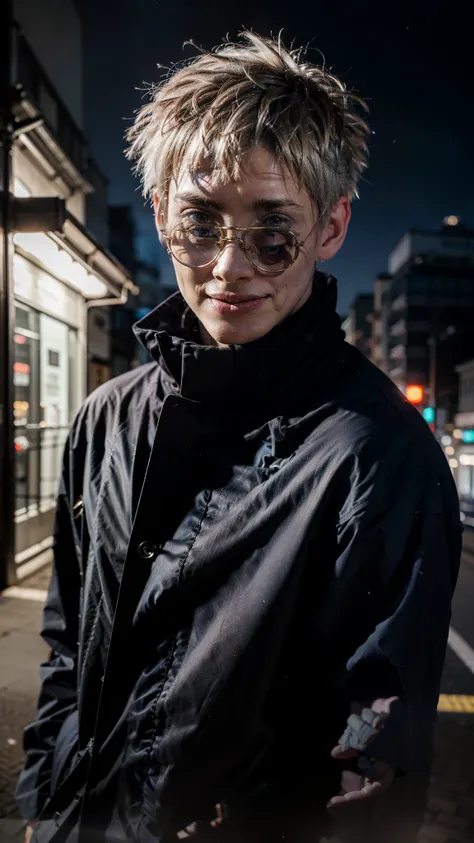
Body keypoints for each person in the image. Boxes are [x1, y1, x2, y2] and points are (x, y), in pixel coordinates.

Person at [16, 31, 461, 843]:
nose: (230, 265)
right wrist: (47, 802)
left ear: (330, 228)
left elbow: (375, 765)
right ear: (161, 216)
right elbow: (68, 646)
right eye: (200, 223)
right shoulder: (104, 419)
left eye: (272, 231)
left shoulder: (378, 456)